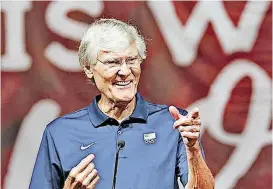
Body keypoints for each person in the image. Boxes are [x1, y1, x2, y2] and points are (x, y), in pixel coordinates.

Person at [30, 18, 214, 189]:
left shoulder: (172, 125)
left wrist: (193, 149)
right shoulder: (60, 133)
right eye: (113, 62)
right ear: (88, 68)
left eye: (132, 60)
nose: (125, 71)